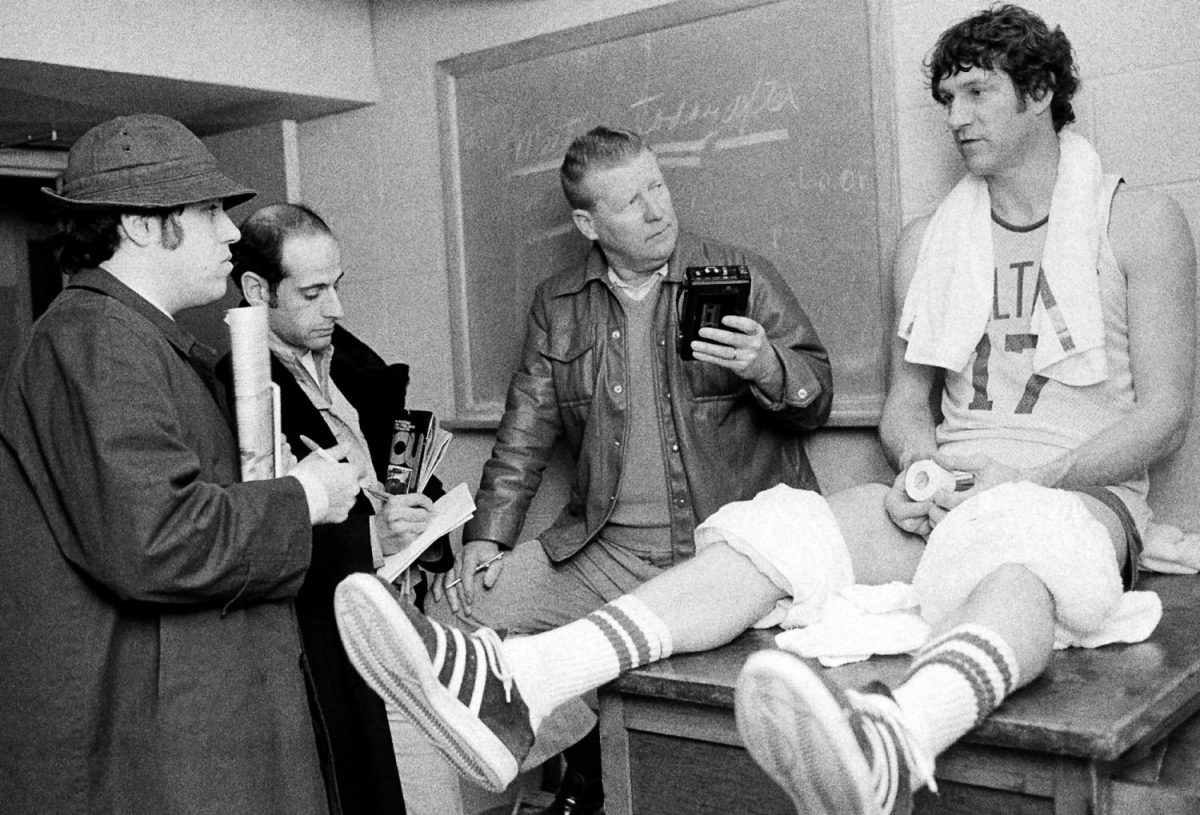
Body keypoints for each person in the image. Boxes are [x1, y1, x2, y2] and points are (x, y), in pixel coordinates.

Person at [331, 5, 1196, 814]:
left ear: (1042, 95)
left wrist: (1025, 476)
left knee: (1020, 554)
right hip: (944, 487)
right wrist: (925, 468)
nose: (957, 116)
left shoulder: (1139, 218)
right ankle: (520, 685)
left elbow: (1163, 415)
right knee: (771, 532)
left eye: (978, 94)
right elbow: (905, 404)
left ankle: (898, 734)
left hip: (1074, 492)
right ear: (591, 225)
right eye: (946, 98)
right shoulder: (926, 241)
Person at [424, 125, 833, 812]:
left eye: (658, 187)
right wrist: (487, 538)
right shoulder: (558, 304)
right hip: (604, 548)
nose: (657, 211)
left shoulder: (741, 273)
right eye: (631, 202)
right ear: (588, 222)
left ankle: (587, 769)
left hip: (720, 549)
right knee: (452, 610)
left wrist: (768, 364)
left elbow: (815, 397)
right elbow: (525, 431)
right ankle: (570, 745)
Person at [0, 114, 364, 814]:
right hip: (158, 744)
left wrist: (275, 486)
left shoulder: (127, 339)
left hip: (183, 720)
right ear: (140, 223)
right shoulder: (96, 341)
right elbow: (156, 540)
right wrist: (304, 496)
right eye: (206, 213)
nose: (232, 232)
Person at [228, 203, 455, 815]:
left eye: (338, 285)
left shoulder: (358, 362)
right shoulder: (237, 393)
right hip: (334, 638)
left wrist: (429, 529)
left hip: (410, 616)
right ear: (256, 290)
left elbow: (412, 470)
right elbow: (254, 545)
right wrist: (373, 537)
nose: (337, 308)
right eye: (313, 292)